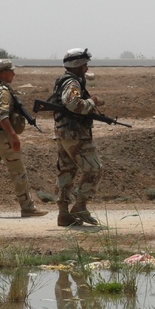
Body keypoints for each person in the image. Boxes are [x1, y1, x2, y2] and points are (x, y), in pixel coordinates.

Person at [0, 59, 48, 217]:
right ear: (3, 73)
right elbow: (2, 116)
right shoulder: (2, 91)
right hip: (2, 136)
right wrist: (13, 135)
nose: (14, 74)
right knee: (18, 171)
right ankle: (27, 207)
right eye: (11, 71)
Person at [50, 48, 104, 227]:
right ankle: (80, 206)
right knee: (95, 169)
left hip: (64, 133)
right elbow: (73, 104)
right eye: (84, 64)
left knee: (67, 171)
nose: (87, 68)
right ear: (77, 65)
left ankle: (63, 213)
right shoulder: (72, 83)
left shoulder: (63, 81)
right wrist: (92, 102)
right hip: (76, 135)